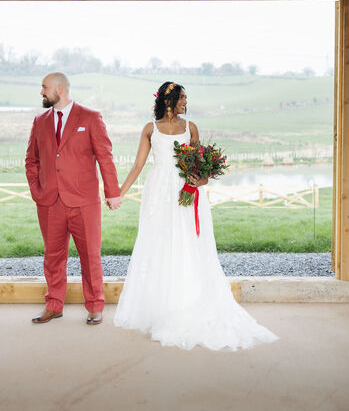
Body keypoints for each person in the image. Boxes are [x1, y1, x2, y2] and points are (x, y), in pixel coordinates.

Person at [113, 81, 278, 350]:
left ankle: (188, 303)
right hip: (158, 194)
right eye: (182, 98)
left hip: (185, 191)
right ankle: (161, 306)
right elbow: (138, 165)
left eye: (186, 99)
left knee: (188, 242)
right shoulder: (149, 129)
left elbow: (202, 165)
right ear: (169, 100)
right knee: (159, 243)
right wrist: (119, 193)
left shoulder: (191, 128)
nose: (185, 103)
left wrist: (200, 180)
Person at [25, 72, 123, 325]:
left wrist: (112, 193)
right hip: (49, 202)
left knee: (90, 256)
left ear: (60, 88)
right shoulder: (40, 121)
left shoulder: (90, 118)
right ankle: (54, 305)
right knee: (53, 257)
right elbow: (31, 160)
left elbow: (105, 157)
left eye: (44, 87)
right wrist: (37, 190)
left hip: (84, 202)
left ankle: (94, 306)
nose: (41, 92)